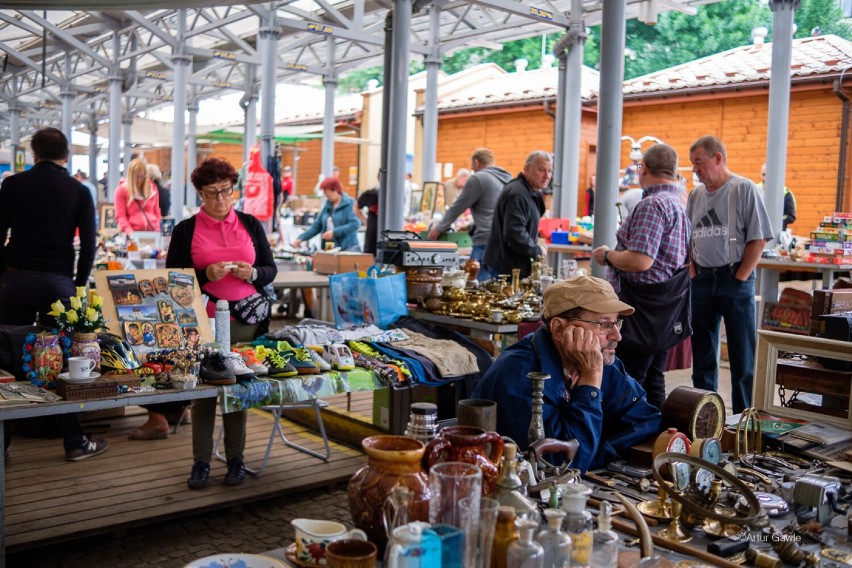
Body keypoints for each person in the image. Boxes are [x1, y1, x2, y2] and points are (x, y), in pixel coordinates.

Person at [472, 276, 661, 474]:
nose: (617, 336)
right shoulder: (517, 372)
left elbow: (648, 421)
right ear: (559, 328)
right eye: (604, 324)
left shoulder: (602, 361)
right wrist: (589, 380)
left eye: (617, 323)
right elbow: (563, 464)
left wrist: (596, 452)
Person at [166, 157, 278, 488]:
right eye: (211, 192)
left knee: (237, 390)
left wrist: (253, 273)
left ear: (234, 189)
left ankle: (236, 460)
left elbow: (270, 269)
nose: (220, 199)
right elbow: (173, 281)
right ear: (199, 194)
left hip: (244, 318)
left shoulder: (251, 224)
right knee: (204, 392)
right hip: (203, 319)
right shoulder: (186, 230)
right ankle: (200, 463)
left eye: (226, 191)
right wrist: (204, 276)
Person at [0, 127, 107, 461]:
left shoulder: (12, 185)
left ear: (34, 154)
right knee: (66, 359)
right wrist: (76, 286)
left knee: (4, 360)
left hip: (14, 281)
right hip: (58, 285)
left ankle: (2, 446)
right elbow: (89, 247)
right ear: (67, 156)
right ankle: (74, 441)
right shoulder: (78, 191)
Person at [591, 144, 690, 409]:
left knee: (628, 380)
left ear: (643, 168)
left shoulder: (653, 204)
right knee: (653, 380)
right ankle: (653, 440)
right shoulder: (678, 204)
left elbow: (640, 261)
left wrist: (607, 255)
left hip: (641, 309)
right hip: (663, 307)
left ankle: (628, 442)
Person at [688, 135, 774, 414]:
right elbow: (688, 237)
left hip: (733, 280)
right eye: (692, 164)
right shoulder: (695, 195)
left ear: (718, 158)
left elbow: (758, 238)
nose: (695, 170)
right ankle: (705, 419)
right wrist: (692, 269)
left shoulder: (744, 188)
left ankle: (742, 423)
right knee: (702, 359)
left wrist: (740, 277)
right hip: (700, 280)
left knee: (742, 359)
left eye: (699, 163)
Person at [428, 149, 512, 270]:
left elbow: (458, 207)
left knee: (476, 284)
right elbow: (494, 211)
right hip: (504, 242)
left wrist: (439, 228)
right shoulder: (506, 179)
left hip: (486, 243)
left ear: (476, 163)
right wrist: (471, 226)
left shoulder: (478, 178)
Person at [482, 150, 552, 280]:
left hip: (512, 266)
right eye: (541, 170)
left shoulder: (532, 191)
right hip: (504, 269)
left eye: (550, 171)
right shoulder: (518, 194)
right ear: (526, 169)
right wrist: (537, 251)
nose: (547, 176)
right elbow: (514, 232)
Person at [293, 177, 360, 251]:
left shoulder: (350, 203)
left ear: (336, 190)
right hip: (328, 248)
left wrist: (334, 233)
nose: (326, 196)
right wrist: (301, 238)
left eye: (328, 193)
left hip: (347, 249)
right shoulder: (327, 206)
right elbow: (317, 226)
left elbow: (355, 224)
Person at [114, 158, 161, 237]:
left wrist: (159, 229)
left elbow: (156, 211)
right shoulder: (121, 190)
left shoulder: (152, 188)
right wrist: (130, 232)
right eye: (137, 177)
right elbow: (120, 216)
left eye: (142, 176)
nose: (140, 180)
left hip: (153, 233)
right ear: (131, 176)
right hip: (132, 235)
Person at [757, 163, 796, 231]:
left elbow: (791, 217)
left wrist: (775, 220)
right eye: (763, 174)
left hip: (776, 234)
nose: (765, 178)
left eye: (768, 175)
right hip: (757, 234)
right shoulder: (755, 189)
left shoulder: (785, 193)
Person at [356, 178, 379, 255]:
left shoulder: (393, 195)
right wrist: (366, 222)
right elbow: (356, 207)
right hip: (372, 234)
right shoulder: (371, 194)